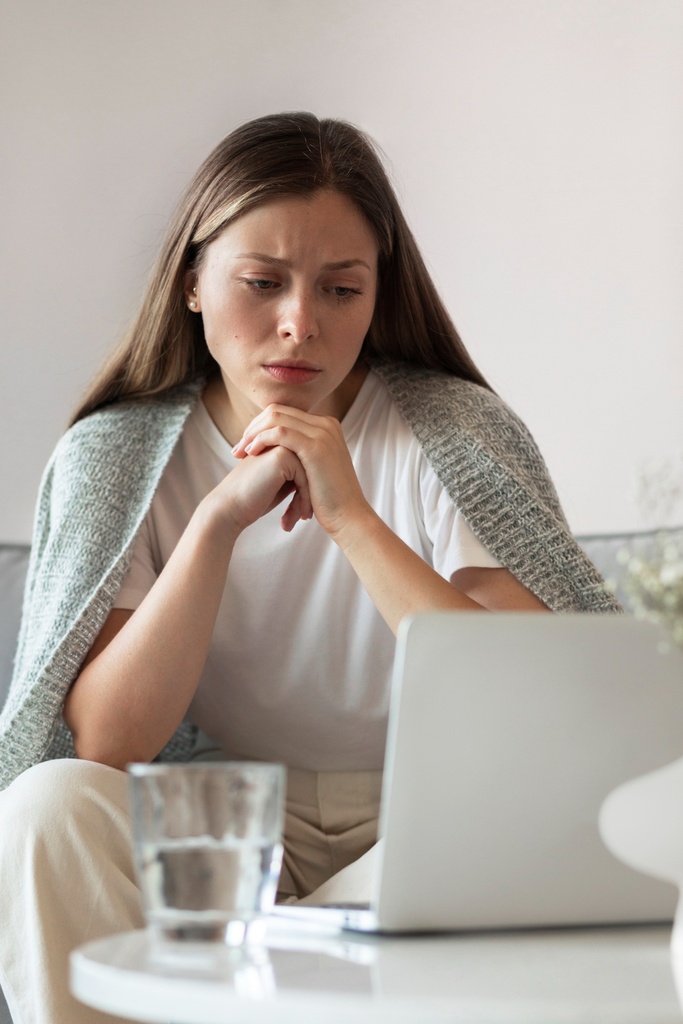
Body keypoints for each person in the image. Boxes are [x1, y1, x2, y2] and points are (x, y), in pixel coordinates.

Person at [0, 111, 619, 1024]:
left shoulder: (450, 435)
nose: (300, 325)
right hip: (230, 832)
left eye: (340, 290)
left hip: (429, 829)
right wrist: (215, 522)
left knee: (585, 825)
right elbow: (106, 743)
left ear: (378, 295)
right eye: (263, 282)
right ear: (194, 284)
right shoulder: (117, 461)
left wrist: (350, 516)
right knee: (46, 805)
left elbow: (529, 698)